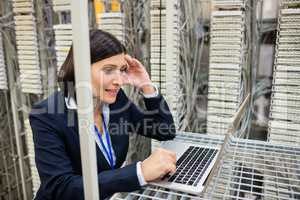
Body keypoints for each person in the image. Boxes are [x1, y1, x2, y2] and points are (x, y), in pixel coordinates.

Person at [29, 29, 177, 200]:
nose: (120, 81)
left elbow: (165, 130)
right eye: (108, 70)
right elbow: (61, 187)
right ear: (80, 69)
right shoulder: (47, 115)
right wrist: (139, 172)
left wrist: (146, 85)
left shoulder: (115, 101)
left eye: (121, 69)